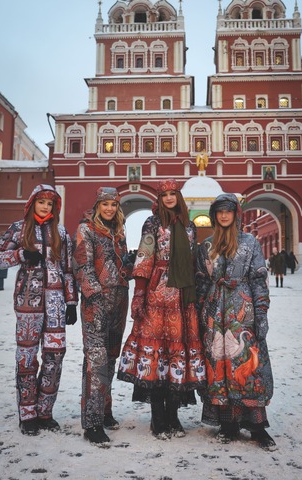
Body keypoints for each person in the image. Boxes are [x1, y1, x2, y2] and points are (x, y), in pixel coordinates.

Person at [117, 178, 206, 440]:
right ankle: (158, 418)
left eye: (173, 193)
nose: (169, 198)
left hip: (183, 297)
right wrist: (140, 293)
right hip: (157, 295)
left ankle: (173, 416)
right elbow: (144, 257)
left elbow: (192, 260)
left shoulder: (189, 226)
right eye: (164, 194)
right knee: (158, 356)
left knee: (176, 357)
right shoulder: (152, 223)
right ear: (159, 198)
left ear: (179, 196)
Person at [0, 184, 78, 436]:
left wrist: (71, 303)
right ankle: (27, 414)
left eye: (50, 203)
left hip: (57, 306)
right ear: (32, 204)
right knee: (27, 358)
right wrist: (20, 254)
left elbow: (68, 269)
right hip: (28, 305)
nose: (45, 207)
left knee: (55, 357)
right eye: (41, 203)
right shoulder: (18, 228)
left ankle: (45, 412)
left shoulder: (61, 231)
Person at [196, 192, 275, 450]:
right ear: (214, 216)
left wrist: (261, 314)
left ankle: (257, 427)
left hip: (243, 312)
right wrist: (201, 314)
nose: (224, 215)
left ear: (236, 213)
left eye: (228, 210)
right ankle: (228, 423)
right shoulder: (207, 246)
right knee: (219, 365)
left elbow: (258, 280)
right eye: (219, 211)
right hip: (214, 314)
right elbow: (201, 282)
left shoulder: (250, 242)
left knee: (249, 366)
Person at [73, 187, 134, 447]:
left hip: (119, 301)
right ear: (98, 205)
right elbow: (82, 265)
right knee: (95, 360)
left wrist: (130, 264)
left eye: (113, 204)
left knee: (110, 358)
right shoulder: (86, 229)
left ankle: (105, 410)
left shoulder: (118, 233)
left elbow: (121, 270)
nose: (109, 208)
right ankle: (93, 421)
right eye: (105, 204)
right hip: (95, 303)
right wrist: (94, 295)